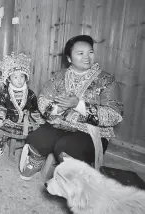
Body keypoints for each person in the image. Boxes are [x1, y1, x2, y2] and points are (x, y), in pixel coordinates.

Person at [19, 35, 124, 180]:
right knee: (37, 138)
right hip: (60, 124)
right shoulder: (60, 76)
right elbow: (43, 100)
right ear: (69, 58)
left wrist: (78, 105)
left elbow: (114, 115)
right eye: (80, 53)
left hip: (90, 131)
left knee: (66, 148)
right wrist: (57, 109)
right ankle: (36, 161)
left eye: (90, 52)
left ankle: (71, 179)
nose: (87, 57)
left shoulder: (106, 80)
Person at [0, 53, 45, 160]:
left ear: (26, 78)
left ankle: (33, 152)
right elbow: (0, 106)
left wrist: (38, 119)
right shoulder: (5, 93)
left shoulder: (30, 93)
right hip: (9, 121)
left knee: (38, 133)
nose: (19, 80)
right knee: (0, 130)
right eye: (15, 77)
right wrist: (1, 117)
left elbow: (35, 108)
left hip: (26, 123)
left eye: (22, 76)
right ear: (9, 79)